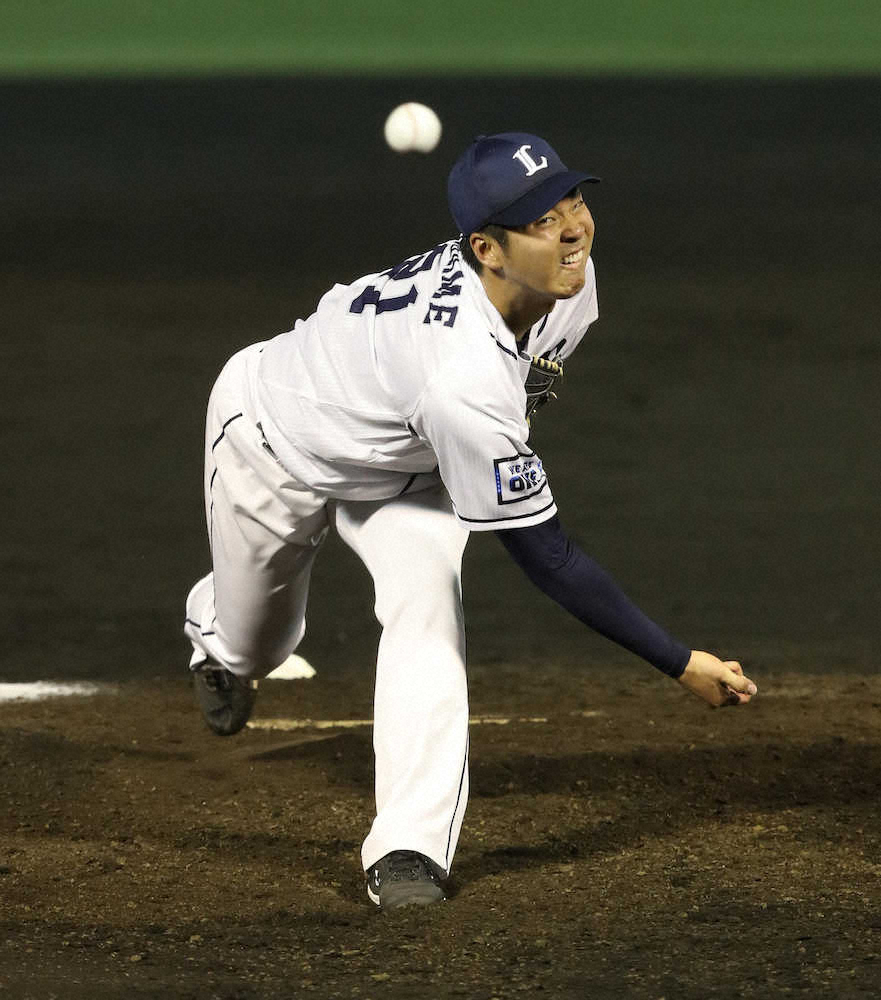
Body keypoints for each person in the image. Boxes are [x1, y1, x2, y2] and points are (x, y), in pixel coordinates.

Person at [184, 132, 757, 910]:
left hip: (407, 464)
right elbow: (546, 557)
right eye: (542, 220)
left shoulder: (565, 283)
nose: (572, 229)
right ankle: (216, 634)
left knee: (427, 604)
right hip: (274, 440)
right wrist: (678, 660)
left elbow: (518, 384)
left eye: (573, 201)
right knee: (256, 644)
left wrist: (487, 444)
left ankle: (408, 847)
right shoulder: (456, 374)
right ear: (486, 249)